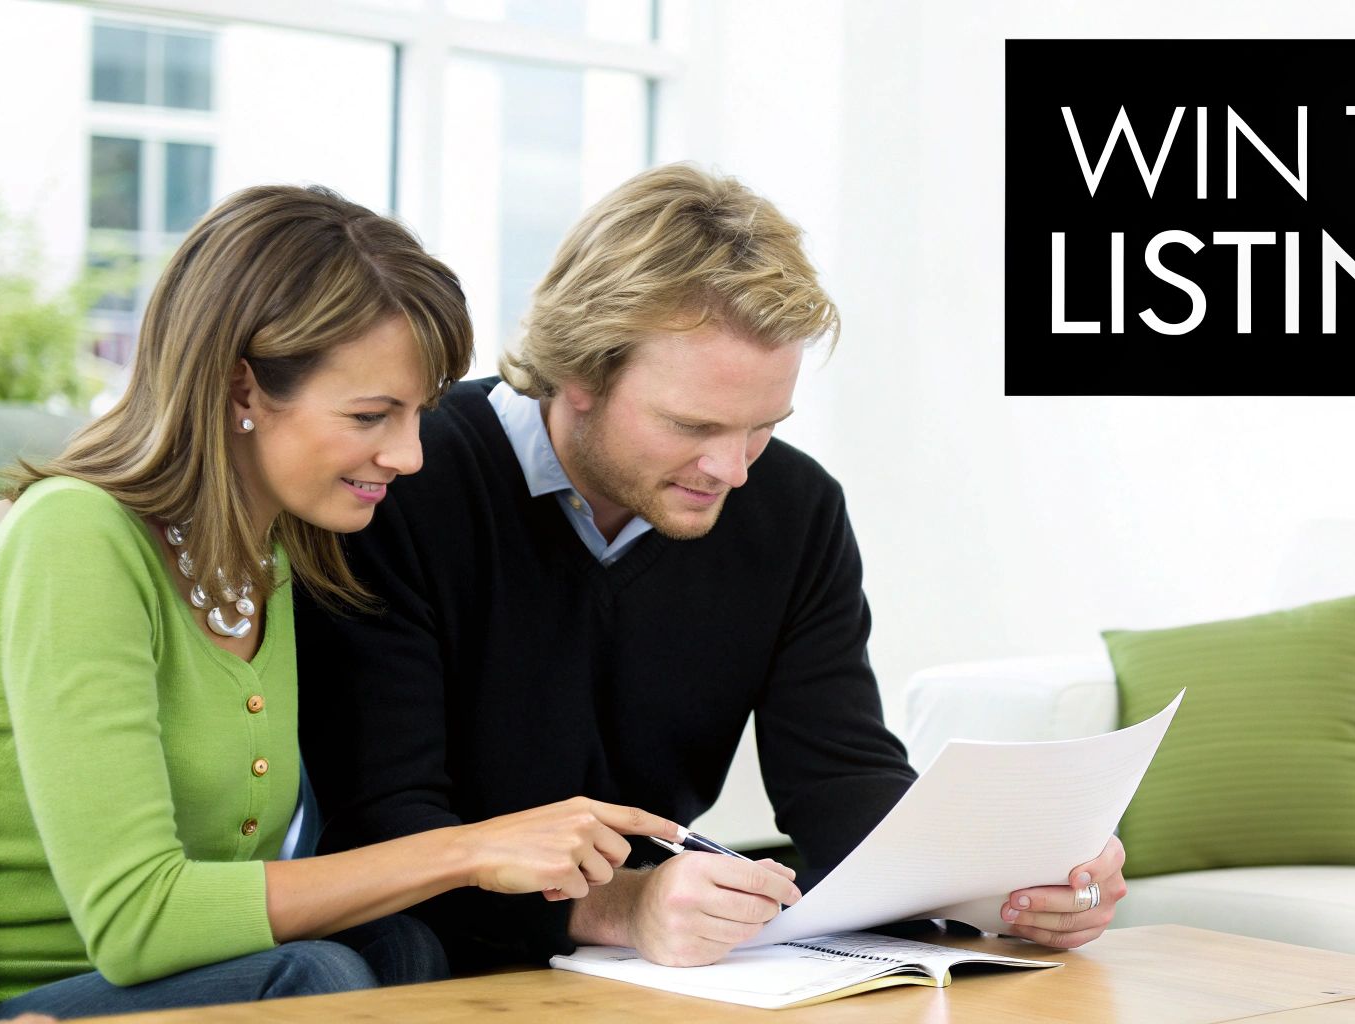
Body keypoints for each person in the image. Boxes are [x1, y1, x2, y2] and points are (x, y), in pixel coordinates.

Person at [296, 163, 1129, 971]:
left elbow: (839, 777)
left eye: (763, 424)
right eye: (692, 425)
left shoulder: (795, 508)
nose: (732, 470)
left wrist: (1000, 882)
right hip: (436, 951)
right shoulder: (398, 483)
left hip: (655, 966)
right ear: (579, 373)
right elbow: (385, 825)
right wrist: (623, 907)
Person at [0, 185, 680, 1020]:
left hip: (193, 986)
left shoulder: (280, 553)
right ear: (242, 388)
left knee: (407, 947)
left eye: (419, 414)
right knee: (318, 978)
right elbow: (141, 923)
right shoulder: (79, 535)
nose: (409, 454)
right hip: (33, 997)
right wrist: (467, 849)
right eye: (370, 415)